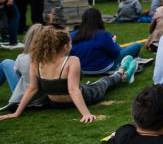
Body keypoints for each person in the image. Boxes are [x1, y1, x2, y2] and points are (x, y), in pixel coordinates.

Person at [0, 25, 136, 123]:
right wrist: (86, 114)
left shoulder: (37, 60)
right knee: (105, 81)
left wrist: (17, 113)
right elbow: (73, 90)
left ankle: (122, 73)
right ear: (65, 46)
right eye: (70, 42)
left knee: (99, 83)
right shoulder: (72, 61)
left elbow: (32, 88)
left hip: (55, 103)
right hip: (85, 96)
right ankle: (121, 72)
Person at [69, 7, 141, 75]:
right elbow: (116, 54)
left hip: (80, 69)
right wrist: (113, 42)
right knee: (136, 45)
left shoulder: (72, 35)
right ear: (99, 20)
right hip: (102, 68)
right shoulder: (102, 35)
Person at [1, 23, 43, 108]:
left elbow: (17, 72)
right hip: (44, 96)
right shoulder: (56, 57)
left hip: (26, 96)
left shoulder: (23, 58)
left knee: (6, 62)